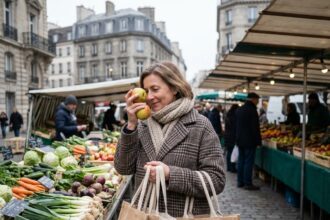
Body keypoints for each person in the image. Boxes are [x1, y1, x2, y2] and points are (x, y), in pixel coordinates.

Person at [115, 61, 225, 217]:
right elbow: (123, 168)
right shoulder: (142, 125)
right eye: (146, 91)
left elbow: (217, 180)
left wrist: (170, 174)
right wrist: (131, 124)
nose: (150, 97)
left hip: (185, 215)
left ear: (174, 87)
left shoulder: (200, 125)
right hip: (145, 213)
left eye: (155, 89)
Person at [236, 92, 261, 190]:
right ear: (253, 99)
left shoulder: (239, 110)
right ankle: (247, 183)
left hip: (240, 140)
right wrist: (258, 141)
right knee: (248, 162)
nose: (258, 102)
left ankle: (240, 182)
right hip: (249, 141)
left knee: (241, 161)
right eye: (257, 100)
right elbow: (255, 128)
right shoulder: (252, 110)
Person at [224, 104, 239, 173]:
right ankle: (232, 167)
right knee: (232, 152)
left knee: (229, 152)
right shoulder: (235, 116)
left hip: (227, 136)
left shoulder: (228, 115)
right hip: (232, 136)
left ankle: (229, 167)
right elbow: (235, 128)